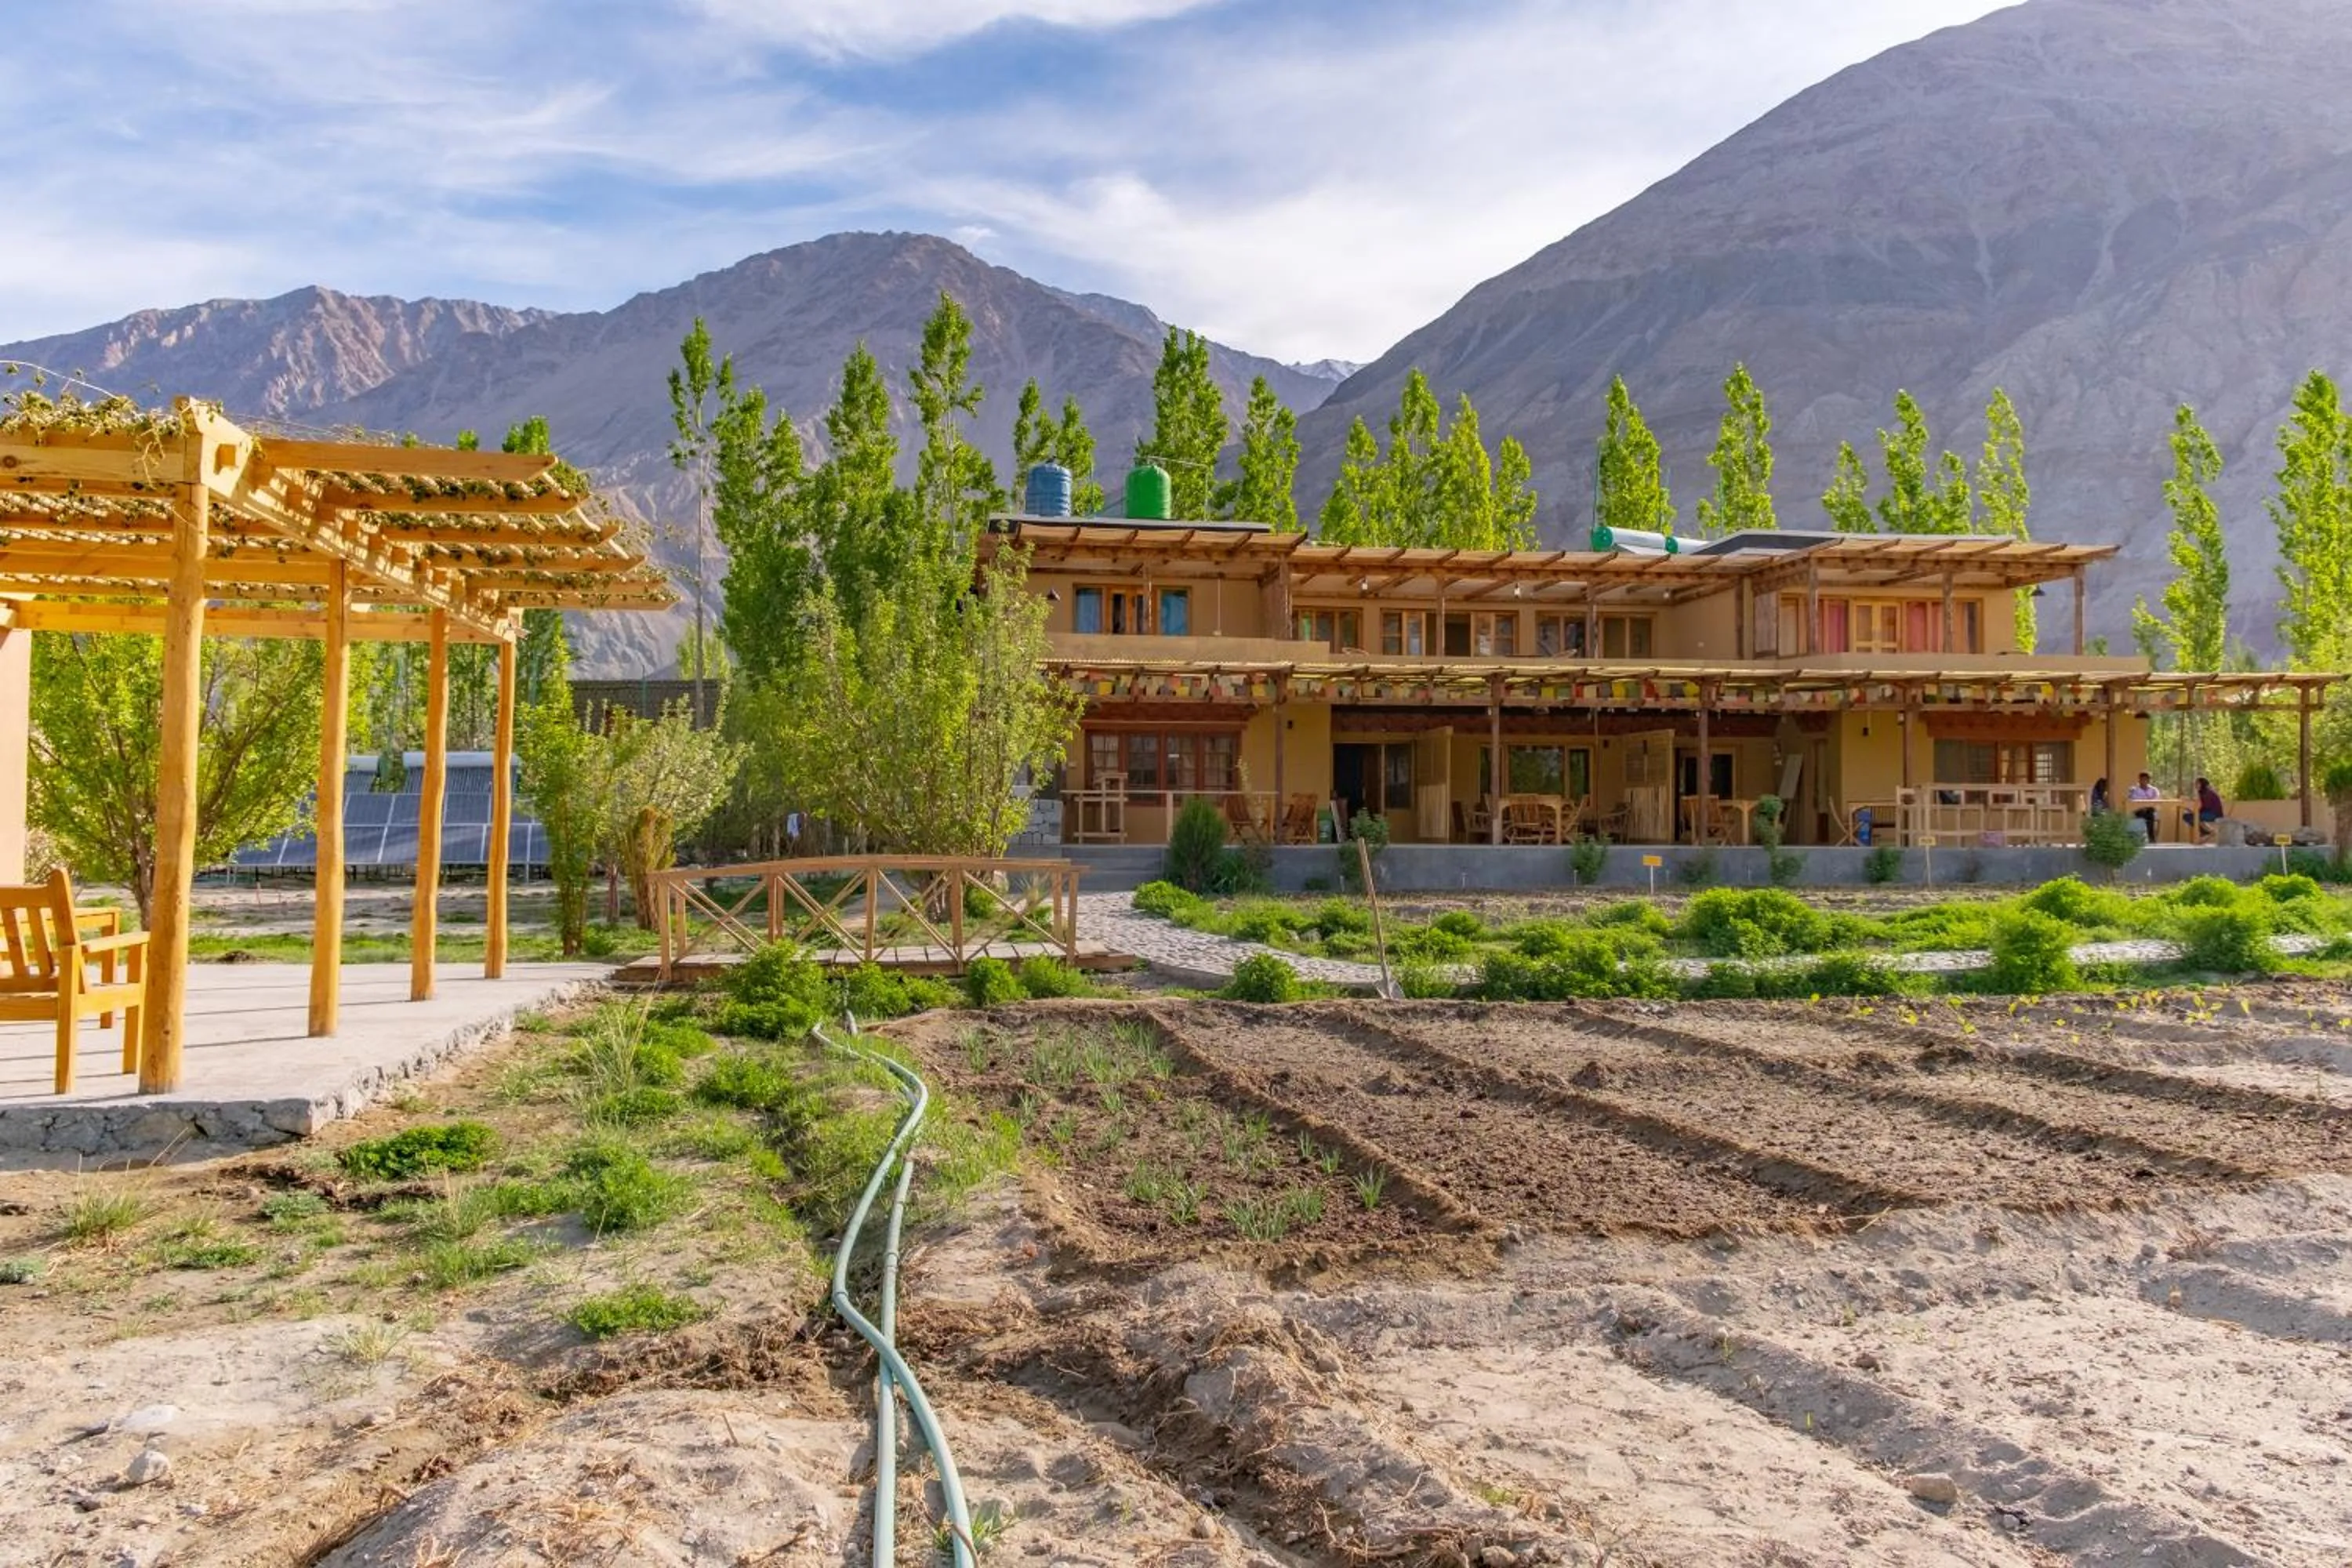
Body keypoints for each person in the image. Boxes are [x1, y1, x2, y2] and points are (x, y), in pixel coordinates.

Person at [2187, 776, 2225, 840]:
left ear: (2202, 784)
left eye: (2197, 783)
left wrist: (2197, 812)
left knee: (2195, 817)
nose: (2195, 785)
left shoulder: (2208, 793)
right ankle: (2205, 831)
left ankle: (2207, 831)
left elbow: (2207, 807)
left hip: (2214, 814)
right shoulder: (2201, 793)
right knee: (2187, 817)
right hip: (2207, 813)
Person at [2127, 772, 2161, 841]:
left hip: (2150, 810)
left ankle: (2151, 839)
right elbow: (2133, 799)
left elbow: (2156, 800)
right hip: (2139, 810)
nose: (2143, 781)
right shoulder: (2134, 790)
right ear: (2139, 780)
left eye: (2145, 779)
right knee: (2144, 814)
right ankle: (2142, 838)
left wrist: (2147, 804)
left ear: (2148, 780)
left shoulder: (2154, 790)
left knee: (2150, 814)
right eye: (2142, 779)